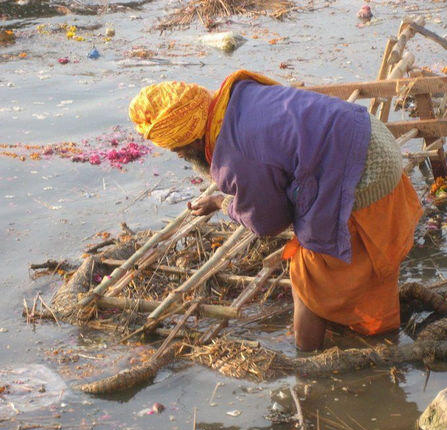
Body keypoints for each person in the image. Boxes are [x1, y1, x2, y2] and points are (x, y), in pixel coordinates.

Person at [129, 69, 423, 351]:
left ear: (190, 139)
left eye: (176, 149)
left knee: (309, 279)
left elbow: (268, 221)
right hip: (370, 135)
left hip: (362, 173)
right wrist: (221, 201)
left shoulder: (235, 154)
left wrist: (223, 204)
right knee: (361, 264)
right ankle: (372, 331)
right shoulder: (238, 96)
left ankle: (306, 365)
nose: (180, 156)